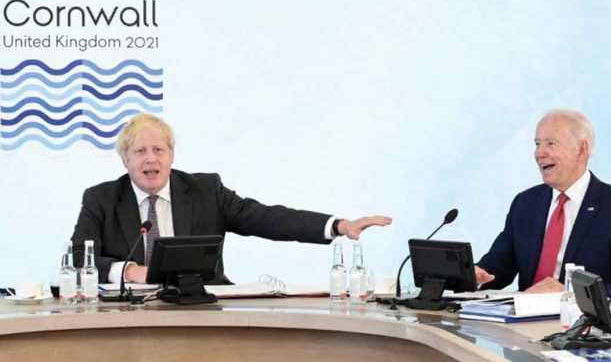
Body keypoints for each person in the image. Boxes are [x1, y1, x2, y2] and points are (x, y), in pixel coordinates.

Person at [71, 114, 391, 283]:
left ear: (172, 155)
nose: (150, 159)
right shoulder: (102, 199)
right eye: (140, 151)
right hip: (131, 317)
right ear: (124, 160)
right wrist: (127, 271)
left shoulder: (205, 190)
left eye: (159, 150)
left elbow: (267, 219)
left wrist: (337, 225)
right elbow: (78, 257)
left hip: (202, 309)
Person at [475, 109, 611, 305]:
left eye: (550, 143)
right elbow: (496, 269)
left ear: (581, 150)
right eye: (537, 144)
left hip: (581, 328)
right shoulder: (526, 203)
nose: (539, 153)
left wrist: (571, 293)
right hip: (523, 322)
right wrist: (476, 275)